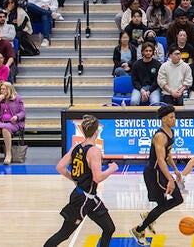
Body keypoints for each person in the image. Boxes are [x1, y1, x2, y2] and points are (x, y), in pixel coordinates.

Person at [44, 115, 119, 247]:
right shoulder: (94, 151)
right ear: (96, 131)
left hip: (89, 198)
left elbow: (60, 167)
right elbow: (97, 178)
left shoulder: (77, 147)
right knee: (64, 234)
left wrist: (74, 179)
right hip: (82, 200)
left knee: (109, 228)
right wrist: (112, 169)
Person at [130, 105, 185, 245]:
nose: (174, 119)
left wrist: (176, 170)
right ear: (164, 119)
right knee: (174, 200)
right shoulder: (160, 136)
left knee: (166, 203)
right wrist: (170, 179)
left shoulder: (170, 132)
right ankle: (139, 229)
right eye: (171, 117)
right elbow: (160, 160)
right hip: (154, 172)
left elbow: (167, 155)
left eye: (174, 116)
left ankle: (147, 219)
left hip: (159, 171)